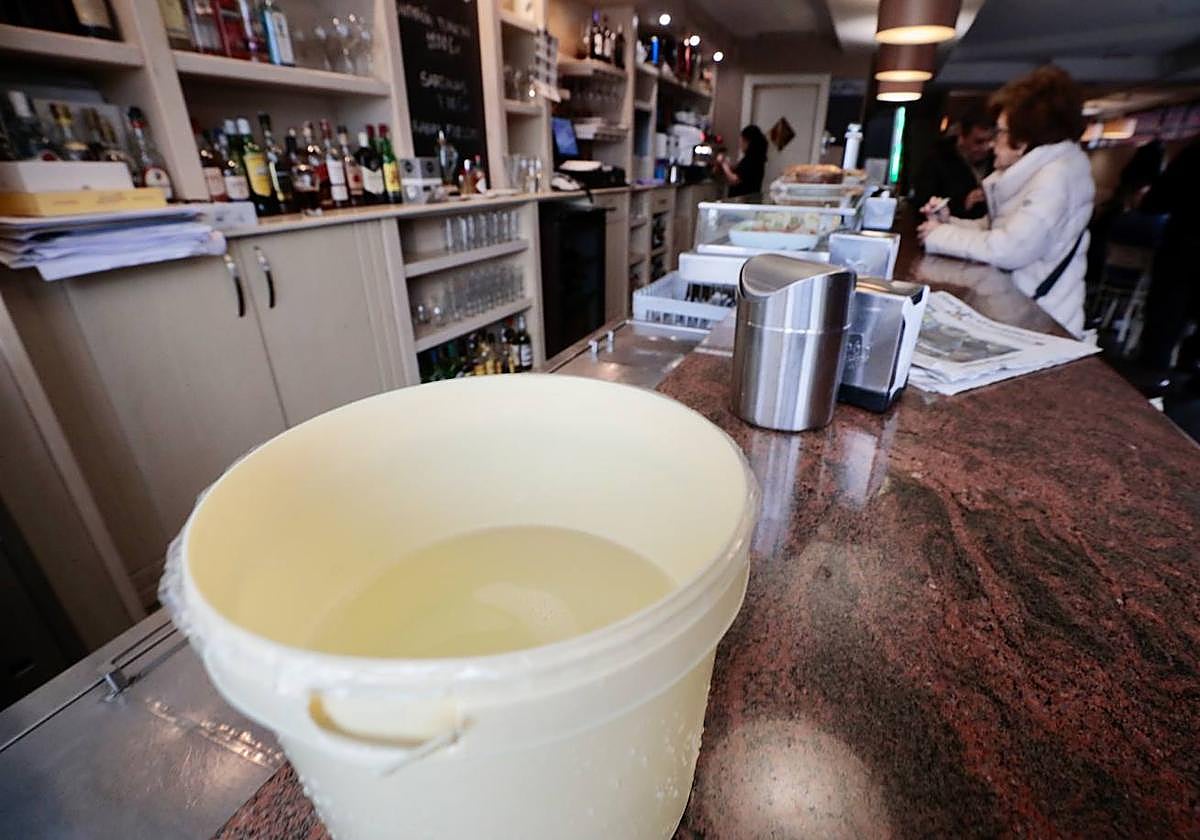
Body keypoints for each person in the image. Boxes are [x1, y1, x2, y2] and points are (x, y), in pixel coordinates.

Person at [918, 65, 1094, 337]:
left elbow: (1010, 249)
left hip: (1041, 320)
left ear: (1022, 141)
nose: (992, 144)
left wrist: (941, 235)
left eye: (1000, 132)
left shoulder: (1054, 179)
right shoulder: (1045, 172)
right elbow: (995, 229)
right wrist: (948, 222)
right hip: (1025, 309)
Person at [1137, 135, 1200, 377]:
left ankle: (1152, 383)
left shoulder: (1192, 154)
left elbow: (1155, 202)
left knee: (1164, 324)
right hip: (1183, 250)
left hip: (1182, 250)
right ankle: (1189, 370)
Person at [913, 108, 995, 220]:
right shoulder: (936, 160)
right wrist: (964, 203)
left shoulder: (996, 160)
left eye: (990, 140)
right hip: (946, 230)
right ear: (961, 137)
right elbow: (921, 204)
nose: (986, 147)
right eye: (978, 142)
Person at [714, 125, 767, 197]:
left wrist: (724, 164)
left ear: (748, 142)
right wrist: (728, 166)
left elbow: (735, 180)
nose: (740, 145)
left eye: (742, 141)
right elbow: (741, 172)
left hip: (743, 199)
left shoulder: (751, 159)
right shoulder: (755, 158)